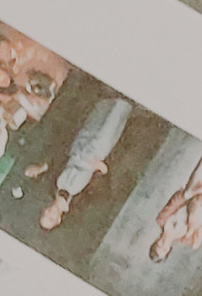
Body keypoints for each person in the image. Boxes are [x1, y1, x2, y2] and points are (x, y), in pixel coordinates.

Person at [26, 92, 133, 231]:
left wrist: (40, 168)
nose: (49, 212)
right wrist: (103, 170)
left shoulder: (51, 187)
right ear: (58, 220)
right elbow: (103, 191)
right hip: (98, 152)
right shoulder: (78, 205)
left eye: (45, 214)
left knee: (102, 109)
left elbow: (57, 161)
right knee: (116, 114)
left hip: (80, 144)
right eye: (51, 218)